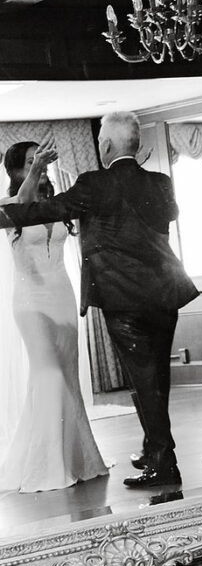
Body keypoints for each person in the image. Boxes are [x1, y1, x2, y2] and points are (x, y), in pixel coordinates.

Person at [0, 112, 199, 488]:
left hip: (123, 298)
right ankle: (153, 450)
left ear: (105, 145)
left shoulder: (94, 184)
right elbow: (167, 216)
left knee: (143, 380)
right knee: (157, 376)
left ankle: (165, 462)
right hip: (165, 293)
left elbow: (47, 210)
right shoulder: (160, 182)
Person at [0, 140, 108, 493]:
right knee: (48, 377)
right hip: (31, 301)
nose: (41, 166)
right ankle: (48, 466)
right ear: (15, 170)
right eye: (31, 162)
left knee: (66, 378)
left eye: (42, 161)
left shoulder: (59, 204)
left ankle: (78, 460)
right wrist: (35, 172)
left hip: (61, 294)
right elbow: (23, 206)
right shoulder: (9, 206)